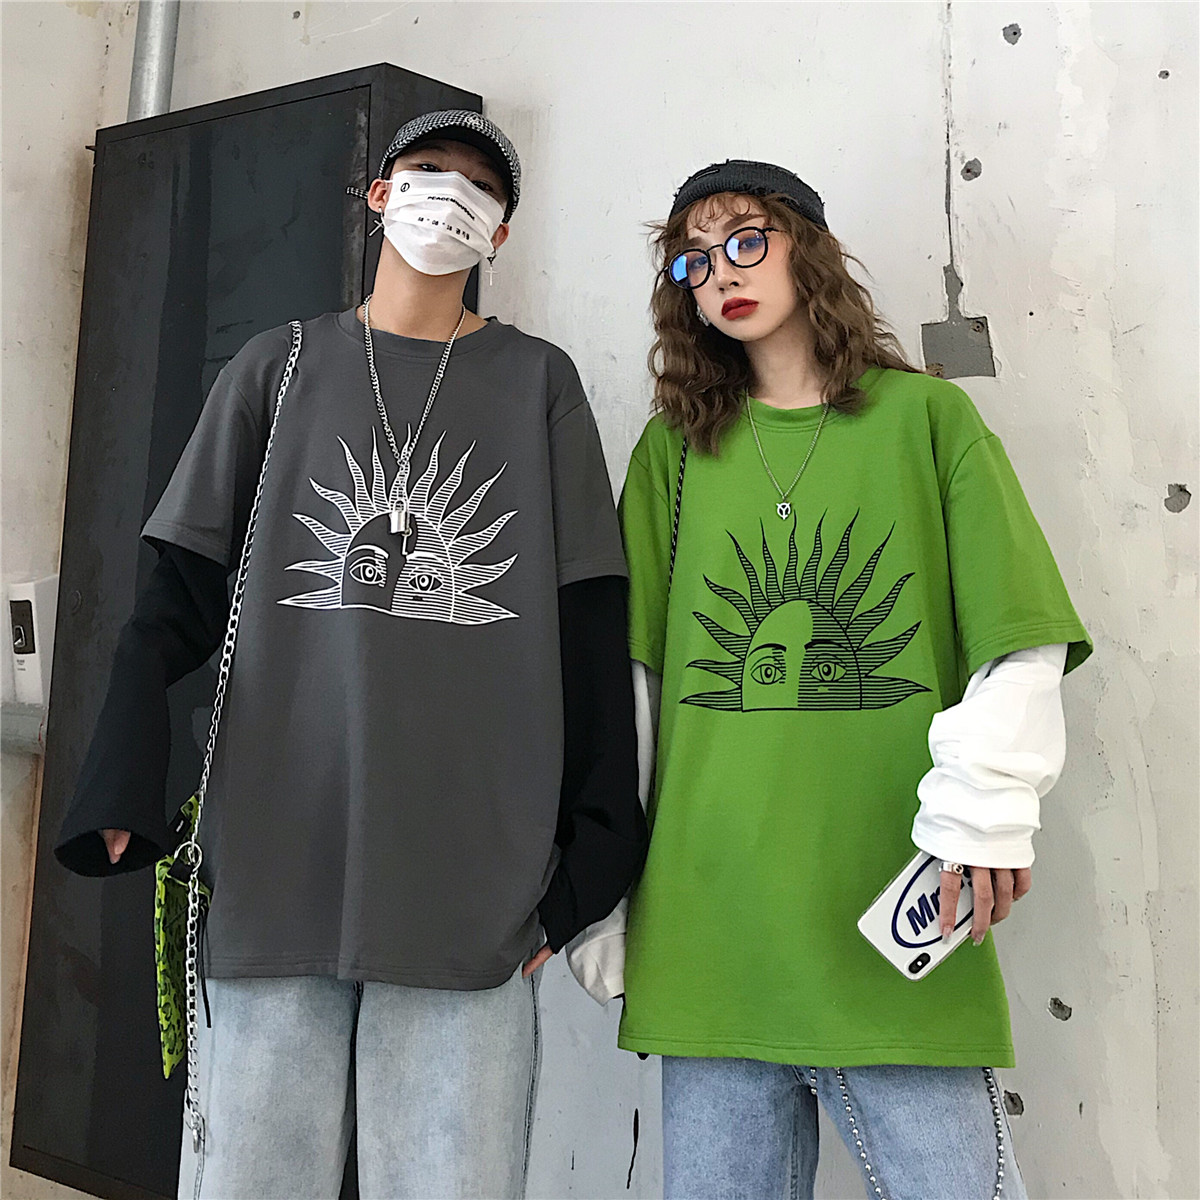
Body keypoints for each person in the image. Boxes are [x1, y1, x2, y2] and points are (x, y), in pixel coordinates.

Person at [55, 109, 647, 1200]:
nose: (448, 195)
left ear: (500, 232)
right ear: (379, 194)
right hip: (276, 861)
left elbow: (588, 621)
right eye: (427, 170)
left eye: (479, 187)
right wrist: (120, 780)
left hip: (471, 884)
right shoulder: (278, 367)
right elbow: (176, 592)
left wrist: (595, 860)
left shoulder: (537, 383)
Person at [589, 159, 1091, 1199]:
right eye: (694, 260)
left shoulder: (926, 421)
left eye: (745, 240)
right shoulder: (674, 453)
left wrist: (985, 810)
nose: (720, 273)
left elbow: (1019, 640)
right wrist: (605, 890)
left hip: (891, 916)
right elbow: (628, 686)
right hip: (711, 926)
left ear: (805, 247)